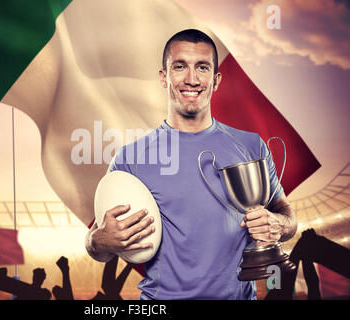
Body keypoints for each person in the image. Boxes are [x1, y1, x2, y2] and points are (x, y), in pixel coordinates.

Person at [85, 29, 297, 300]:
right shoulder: (130, 159)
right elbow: (97, 245)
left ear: (216, 80)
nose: (192, 79)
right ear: (164, 77)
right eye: (180, 66)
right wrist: (98, 241)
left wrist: (278, 224)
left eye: (202, 67)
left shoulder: (251, 147)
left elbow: (288, 218)